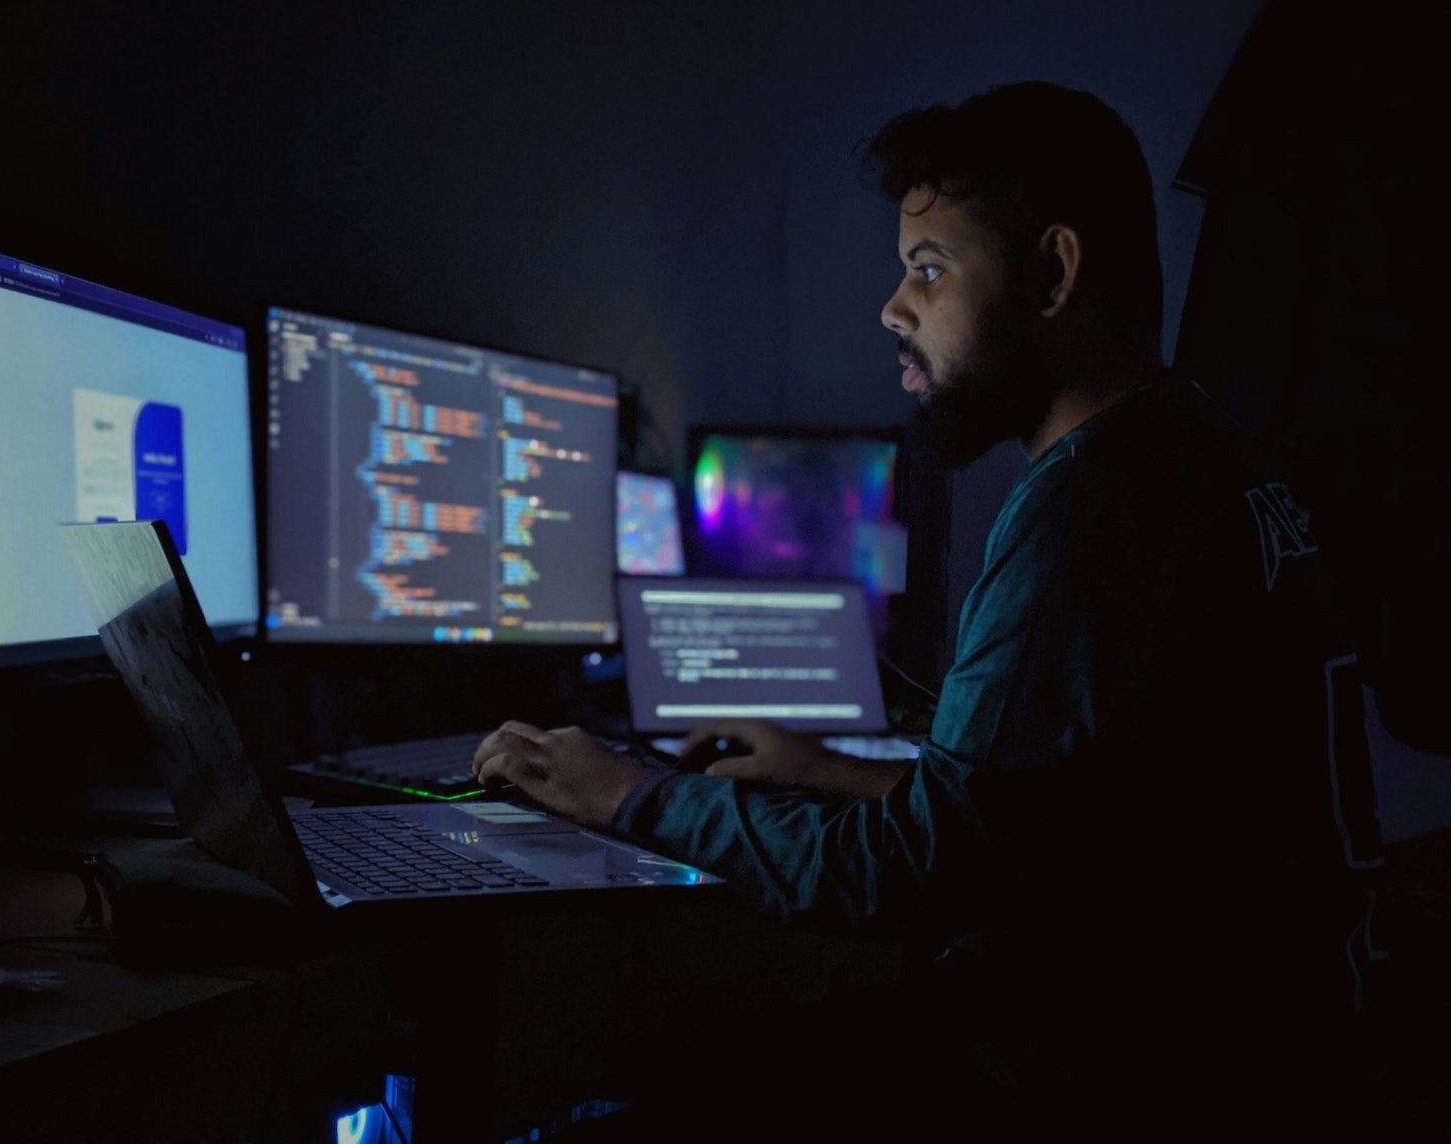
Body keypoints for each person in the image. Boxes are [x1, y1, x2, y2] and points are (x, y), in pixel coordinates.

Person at [473, 81, 1380, 1135]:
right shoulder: (1201, 452)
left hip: (1119, 1085)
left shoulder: (1093, 508)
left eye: (928, 268)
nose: (893, 309)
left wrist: (626, 793)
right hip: (1267, 1061)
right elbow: (1072, 814)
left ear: (1050, 272)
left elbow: (917, 878)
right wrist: (830, 772)